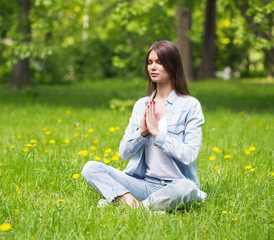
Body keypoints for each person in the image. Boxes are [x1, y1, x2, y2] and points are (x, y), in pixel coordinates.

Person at [82, 40, 206, 211]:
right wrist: (142, 133)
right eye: (150, 62)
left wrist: (157, 133)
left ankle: (129, 205)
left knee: (188, 188)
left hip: (176, 185)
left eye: (159, 62)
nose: (153, 67)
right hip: (145, 185)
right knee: (91, 168)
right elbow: (124, 153)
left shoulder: (190, 105)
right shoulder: (142, 105)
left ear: (173, 65)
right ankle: (141, 207)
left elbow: (189, 155)